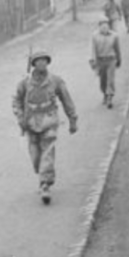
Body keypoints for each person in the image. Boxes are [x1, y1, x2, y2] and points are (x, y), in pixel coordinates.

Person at [12, 50, 79, 204]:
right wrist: (20, 117)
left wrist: (73, 119)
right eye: (38, 60)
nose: (42, 63)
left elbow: (66, 100)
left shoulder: (55, 81)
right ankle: (43, 175)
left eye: (44, 60)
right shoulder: (24, 83)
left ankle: (45, 185)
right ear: (33, 64)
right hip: (30, 122)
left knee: (47, 152)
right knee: (36, 158)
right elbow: (16, 101)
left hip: (49, 120)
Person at [90, 18, 121, 108]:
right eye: (102, 25)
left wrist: (119, 60)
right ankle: (105, 94)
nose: (104, 27)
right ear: (99, 27)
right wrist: (93, 61)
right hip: (100, 61)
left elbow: (117, 49)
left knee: (110, 80)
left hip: (111, 60)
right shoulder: (95, 36)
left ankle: (110, 98)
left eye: (106, 25)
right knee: (103, 80)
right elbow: (93, 50)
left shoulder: (114, 36)